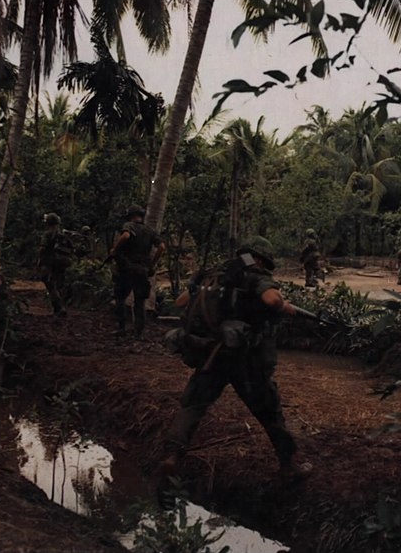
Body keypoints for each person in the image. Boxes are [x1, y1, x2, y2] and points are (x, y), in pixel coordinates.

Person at [158, 236, 311, 505]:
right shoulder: (253, 274)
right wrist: (284, 306)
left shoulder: (214, 273)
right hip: (245, 361)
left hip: (211, 355)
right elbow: (272, 300)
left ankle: (171, 457)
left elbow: (182, 302)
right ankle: (290, 465)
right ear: (262, 258)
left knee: (192, 406)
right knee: (269, 411)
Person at [109, 204, 166, 340]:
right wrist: (152, 264)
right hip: (142, 270)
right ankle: (138, 333)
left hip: (127, 269)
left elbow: (126, 236)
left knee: (120, 298)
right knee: (140, 302)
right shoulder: (149, 230)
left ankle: (121, 328)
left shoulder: (129, 226)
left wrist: (114, 250)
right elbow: (162, 247)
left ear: (130, 216)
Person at [37, 212, 72, 317]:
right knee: (59, 284)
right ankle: (62, 306)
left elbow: (43, 248)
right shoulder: (63, 235)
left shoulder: (47, 234)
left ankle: (59, 307)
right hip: (62, 263)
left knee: (50, 285)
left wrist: (40, 258)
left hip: (49, 262)